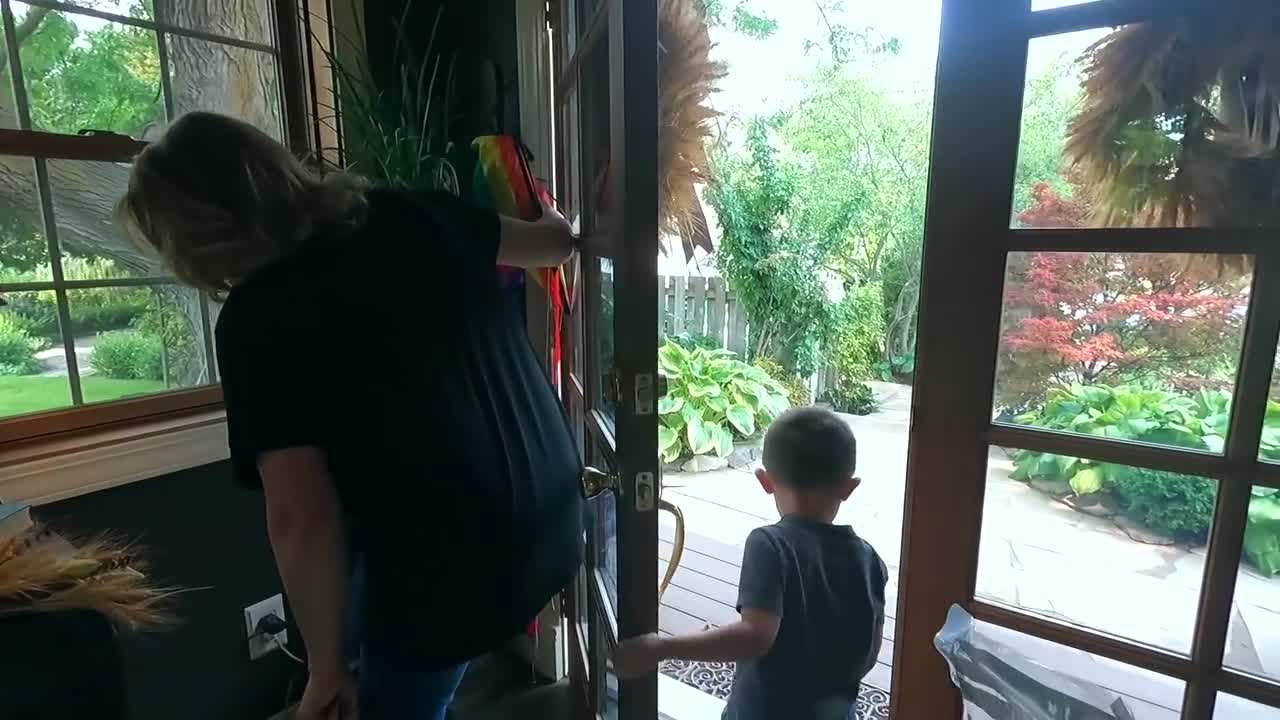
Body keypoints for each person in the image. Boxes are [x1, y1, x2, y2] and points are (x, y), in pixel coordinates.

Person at [117, 112, 585, 720]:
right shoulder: (409, 211)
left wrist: (325, 670)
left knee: (385, 696)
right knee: (367, 599)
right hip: (549, 512)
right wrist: (547, 204)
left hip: (452, 563)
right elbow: (553, 244)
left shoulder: (257, 318)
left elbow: (301, 516)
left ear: (195, 236)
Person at [614, 406, 888, 720]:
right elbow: (868, 655)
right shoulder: (870, 560)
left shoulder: (770, 544)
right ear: (849, 487)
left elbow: (755, 636)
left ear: (765, 481)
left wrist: (663, 648)